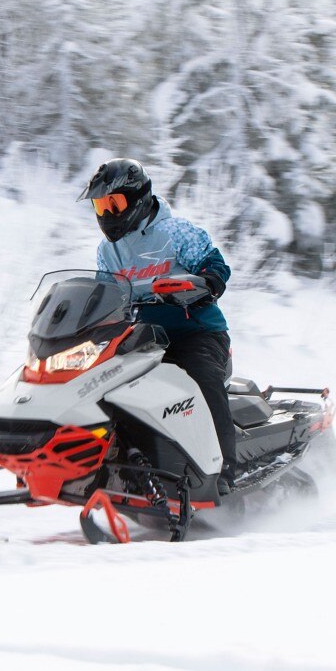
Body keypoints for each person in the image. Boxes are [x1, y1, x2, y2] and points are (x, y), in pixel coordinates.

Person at [79, 158, 241, 494]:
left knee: (202, 378)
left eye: (114, 203)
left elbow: (216, 265)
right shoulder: (108, 251)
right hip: (143, 338)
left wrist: (206, 283)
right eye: (100, 205)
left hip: (195, 331)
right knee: (101, 383)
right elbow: (106, 294)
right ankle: (105, 467)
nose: (108, 213)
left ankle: (224, 471)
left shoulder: (177, 232)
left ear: (138, 199)